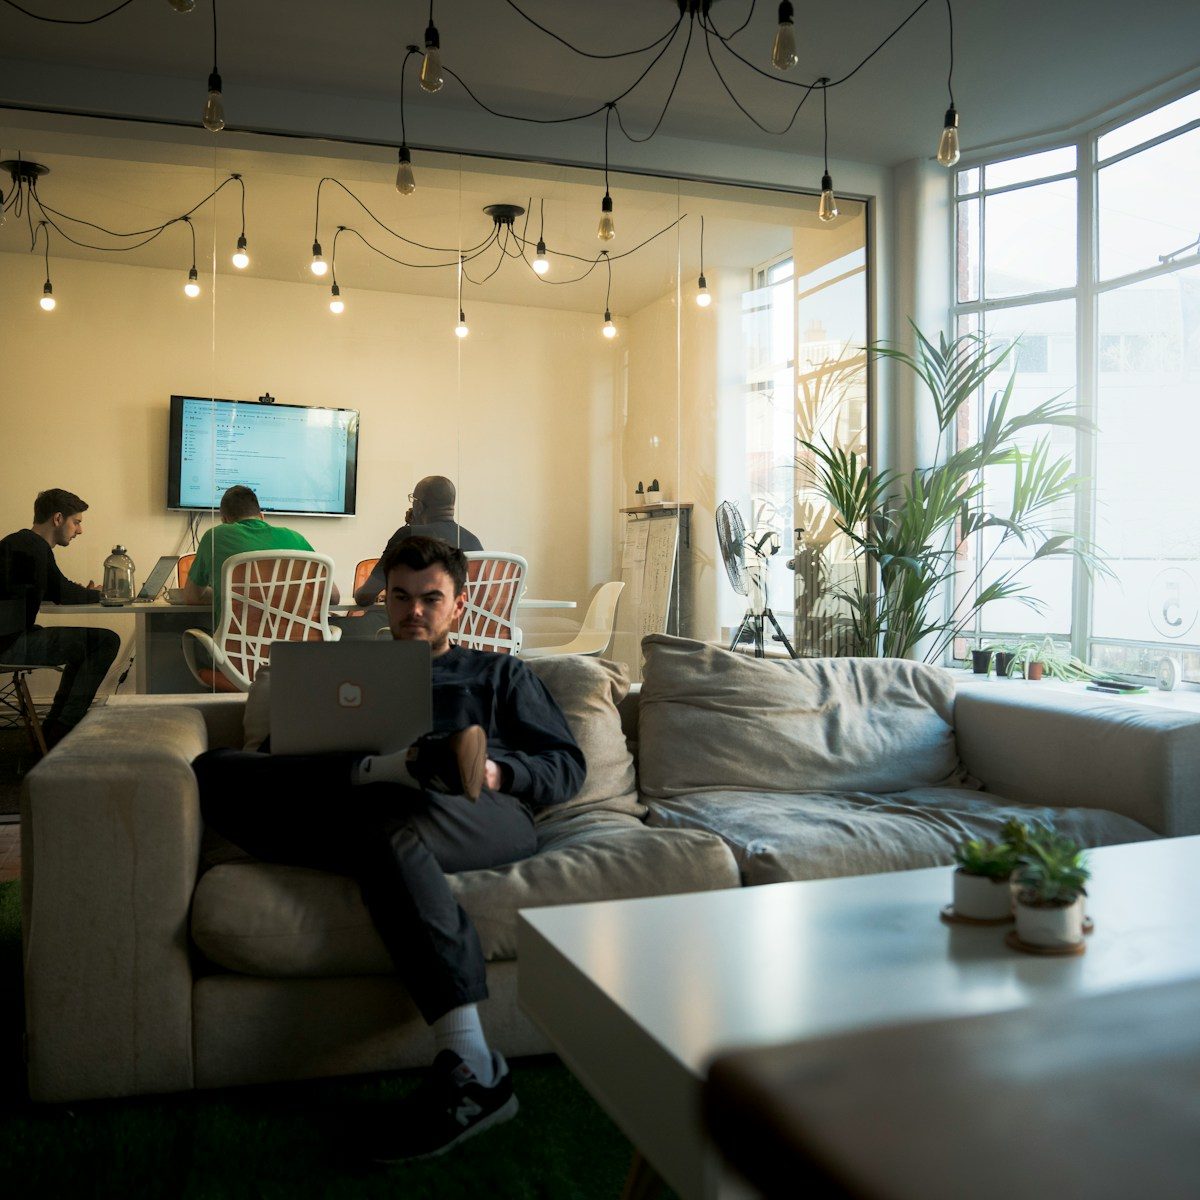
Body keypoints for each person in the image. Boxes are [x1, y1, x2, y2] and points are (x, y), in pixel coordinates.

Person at [191, 535, 585, 1160]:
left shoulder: (499, 672)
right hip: (367, 805)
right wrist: (294, 747)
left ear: (459, 603)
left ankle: (473, 1063)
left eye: (432, 598)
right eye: (401, 597)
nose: (414, 612)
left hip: (478, 809)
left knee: (380, 821)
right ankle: (399, 767)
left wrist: (492, 773)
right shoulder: (348, 673)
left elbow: (565, 766)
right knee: (215, 770)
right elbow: (274, 763)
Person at [0, 488, 121, 748]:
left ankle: (55, 728)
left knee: (84, 646)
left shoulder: (18, 543)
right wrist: (106, 594)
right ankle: (63, 730)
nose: (79, 530)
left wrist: (82, 593)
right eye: (76, 522)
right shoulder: (34, 546)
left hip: (8, 638)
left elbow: (50, 588)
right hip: (8, 646)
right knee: (105, 641)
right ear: (57, 519)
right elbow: (62, 592)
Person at [183, 484, 340, 612]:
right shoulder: (295, 538)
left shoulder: (214, 537)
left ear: (224, 520)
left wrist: (229, 595)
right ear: (262, 516)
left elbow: (192, 597)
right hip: (293, 646)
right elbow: (333, 597)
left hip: (237, 647)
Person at [353, 476, 481, 606]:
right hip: (464, 624)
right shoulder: (474, 541)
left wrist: (412, 528)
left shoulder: (408, 535)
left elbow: (365, 597)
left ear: (419, 506)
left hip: (420, 622)